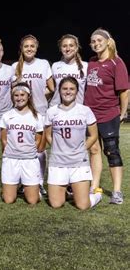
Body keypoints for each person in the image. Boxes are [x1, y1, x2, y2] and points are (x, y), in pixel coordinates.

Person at [84, 28, 129, 204]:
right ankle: (95, 186)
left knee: (112, 152)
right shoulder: (91, 62)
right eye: (93, 41)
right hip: (90, 116)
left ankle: (117, 191)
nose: (96, 43)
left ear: (108, 41)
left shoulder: (117, 63)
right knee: (93, 150)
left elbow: (124, 91)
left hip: (109, 114)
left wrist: (122, 113)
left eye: (99, 40)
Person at [45, 77, 102, 210]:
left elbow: (93, 135)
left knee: (83, 206)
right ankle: (69, 190)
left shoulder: (85, 110)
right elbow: (48, 134)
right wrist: (58, 148)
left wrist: (82, 149)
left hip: (79, 163)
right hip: (58, 162)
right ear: (59, 91)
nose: (68, 92)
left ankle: (97, 195)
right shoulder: (51, 111)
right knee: (56, 204)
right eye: (65, 89)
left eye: (72, 89)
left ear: (77, 91)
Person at [12, 34, 54, 195]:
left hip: (40, 111)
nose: (29, 49)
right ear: (21, 49)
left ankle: (39, 182)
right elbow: (13, 89)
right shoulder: (16, 66)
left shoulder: (43, 64)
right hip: (22, 113)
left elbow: (51, 88)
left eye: (32, 46)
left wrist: (38, 96)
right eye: (26, 46)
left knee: (40, 149)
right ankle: (24, 182)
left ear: (36, 48)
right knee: (23, 148)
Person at [0, 83, 43, 204]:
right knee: (8, 200)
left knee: (32, 200)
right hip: (11, 159)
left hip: (29, 160)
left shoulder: (37, 117)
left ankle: (34, 189)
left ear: (28, 96)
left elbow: (38, 139)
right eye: (16, 95)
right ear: (12, 97)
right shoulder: (7, 116)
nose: (19, 98)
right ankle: (17, 186)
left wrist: (29, 151)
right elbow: (4, 139)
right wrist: (9, 152)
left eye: (22, 95)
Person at [50, 34, 87, 107]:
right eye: (64, 46)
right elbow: (52, 89)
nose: (68, 49)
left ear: (76, 48)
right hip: (57, 108)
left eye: (71, 45)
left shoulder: (85, 66)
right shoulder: (55, 66)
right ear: (60, 48)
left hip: (78, 109)